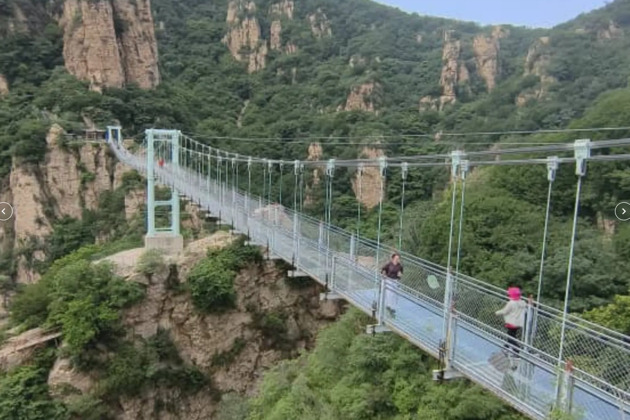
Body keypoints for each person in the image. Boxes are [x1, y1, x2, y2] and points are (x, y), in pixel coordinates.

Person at [495, 286, 527, 357]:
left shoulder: (511, 303)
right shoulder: (522, 302)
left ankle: (516, 350)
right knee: (511, 335)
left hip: (511, 322)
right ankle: (506, 347)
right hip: (518, 323)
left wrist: (497, 313)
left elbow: (505, 311)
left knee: (511, 337)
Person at [381, 253, 403, 318]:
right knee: (389, 293)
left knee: (394, 294)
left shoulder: (400, 266)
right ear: (393, 258)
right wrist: (384, 274)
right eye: (396, 258)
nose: (398, 259)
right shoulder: (389, 264)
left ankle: (392, 307)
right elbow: (383, 269)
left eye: (398, 258)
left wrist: (400, 275)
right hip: (389, 280)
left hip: (395, 281)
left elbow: (401, 273)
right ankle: (389, 306)